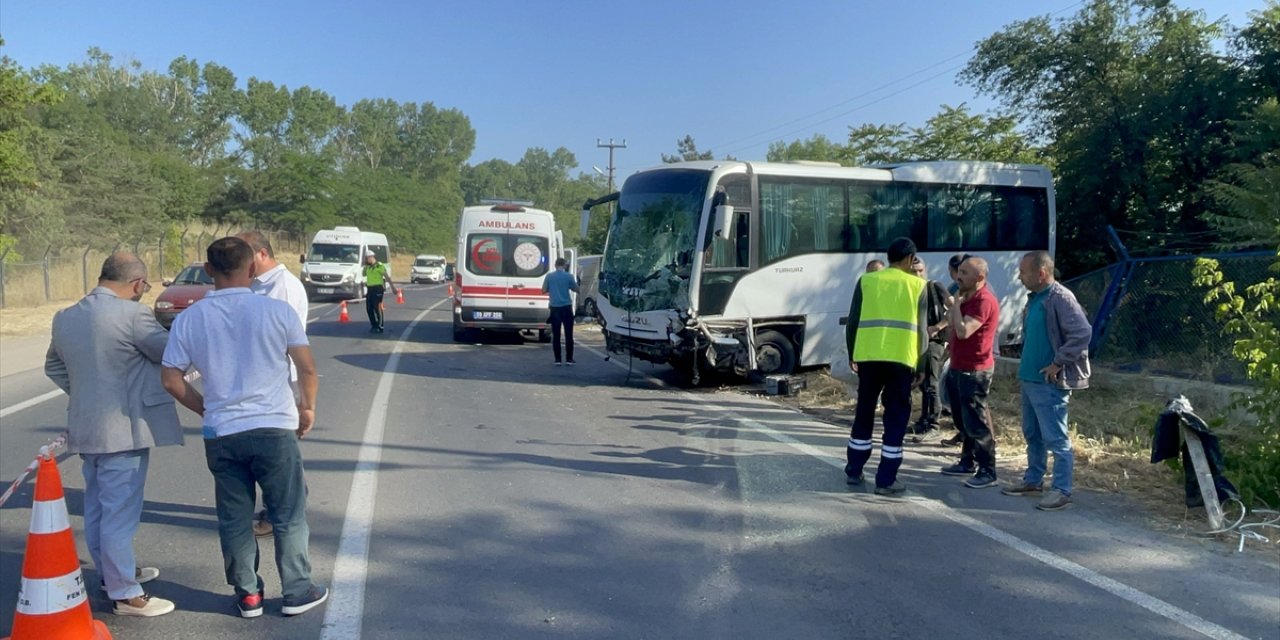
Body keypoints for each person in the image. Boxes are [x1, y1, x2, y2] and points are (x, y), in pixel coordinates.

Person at [161, 237, 328, 618]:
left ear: (208, 271)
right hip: (273, 426)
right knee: (287, 513)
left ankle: (248, 593)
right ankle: (297, 590)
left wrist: (206, 408)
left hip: (223, 431)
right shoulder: (277, 311)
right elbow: (306, 368)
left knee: (235, 516)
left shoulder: (190, 318)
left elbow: (171, 379)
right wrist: (308, 408)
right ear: (252, 267)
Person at [44, 253, 181, 617]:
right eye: (146, 287)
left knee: (98, 508)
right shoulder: (132, 314)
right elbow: (170, 353)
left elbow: (53, 365)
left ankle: (112, 574)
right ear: (137, 284)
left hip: (86, 425)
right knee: (120, 511)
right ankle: (125, 593)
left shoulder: (66, 316)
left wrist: (85, 392)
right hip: (126, 427)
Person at [1002, 250, 1092, 511]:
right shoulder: (1035, 298)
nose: (1019, 277)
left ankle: (1062, 490)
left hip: (1048, 382)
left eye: (1023, 271)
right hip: (1030, 378)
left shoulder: (1060, 298)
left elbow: (1082, 332)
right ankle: (1033, 480)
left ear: (1041, 273)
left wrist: (1058, 363)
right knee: (1032, 434)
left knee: (1056, 438)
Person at [238, 230, 309, 538]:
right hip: (261, 379)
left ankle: (278, 511)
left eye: (246, 258)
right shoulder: (257, 285)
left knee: (277, 451)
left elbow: (286, 342)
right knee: (279, 451)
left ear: (262, 254)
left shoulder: (284, 287)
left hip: (281, 381)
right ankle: (289, 502)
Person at [844, 237, 928, 495]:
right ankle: (886, 479)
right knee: (895, 417)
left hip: (868, 357)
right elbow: (922, 332)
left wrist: (852, 354)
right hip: (901, 359)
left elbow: (853, 322)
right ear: (910, 259)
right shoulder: (918, 286)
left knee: (864, 412)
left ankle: (854, 469)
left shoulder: (866, 281)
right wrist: (921, 365)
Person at [938, 256, 1001, 488]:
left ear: (980, 277)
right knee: (961, 418)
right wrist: (951, 308)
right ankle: (967, 460)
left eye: (964, 272)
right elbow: (951, 322)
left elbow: (964, 331)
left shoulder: (984, 301)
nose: (958, 276)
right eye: (959, 271)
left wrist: (955, 308)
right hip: (958, 364)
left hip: (975, 369)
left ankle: (988, 469)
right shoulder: (966, 296)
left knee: (976, 420)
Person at [908, 257, 952, 441]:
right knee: (922, 384)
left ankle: (933, 425)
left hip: (934, 343)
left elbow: (954, 308)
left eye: (920, 270)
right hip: (916, 343)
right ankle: (923, 421)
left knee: (932, 384)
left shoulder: (934, 286)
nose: (917, 274)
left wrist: (938, 327)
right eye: (913, 271)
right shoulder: (910, 289)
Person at [542, 257, 579, 365]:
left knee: (556, 334)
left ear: (555, 265)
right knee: (568, 334)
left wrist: (552, 289)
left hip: (554, 308)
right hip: (566, 307)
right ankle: (569, 359)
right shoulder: (569, 276)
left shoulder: (549, 276)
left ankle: (557, 359)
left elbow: (543, 290)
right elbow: (576, 289)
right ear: (564, 265)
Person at [362, 250, 397, 333]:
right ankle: (374, 325)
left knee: (376, 307)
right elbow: (363, 274)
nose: (366, 260)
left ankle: (380, 325)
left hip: (378, 288)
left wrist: (393, 287)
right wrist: (365, 266)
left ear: (371, 257)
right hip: (370, 289)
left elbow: (387, 277)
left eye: (366, 258)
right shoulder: (367, 267)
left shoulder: (379, 266)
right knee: (369, 308)